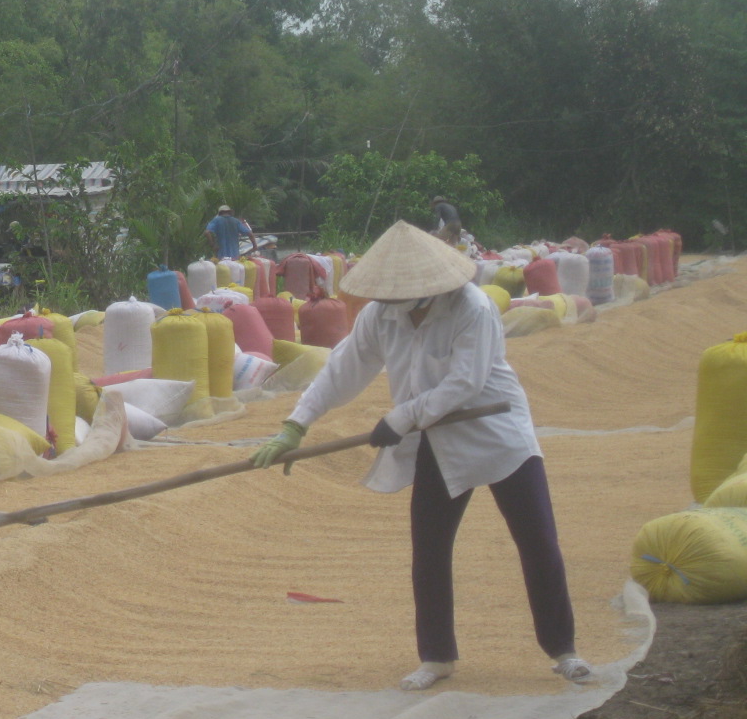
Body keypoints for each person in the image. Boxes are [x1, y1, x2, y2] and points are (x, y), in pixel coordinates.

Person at [248, 220, 591, 691]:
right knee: (429, 550)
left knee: (537, 542)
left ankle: (564, 650)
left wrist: (402, 417)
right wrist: (296, 424)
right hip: (438, 441)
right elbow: (344, 369)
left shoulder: (473, 309)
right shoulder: (379, 316)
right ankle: (436, 656)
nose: (390, 301)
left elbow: (465, 383)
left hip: (497, 432)